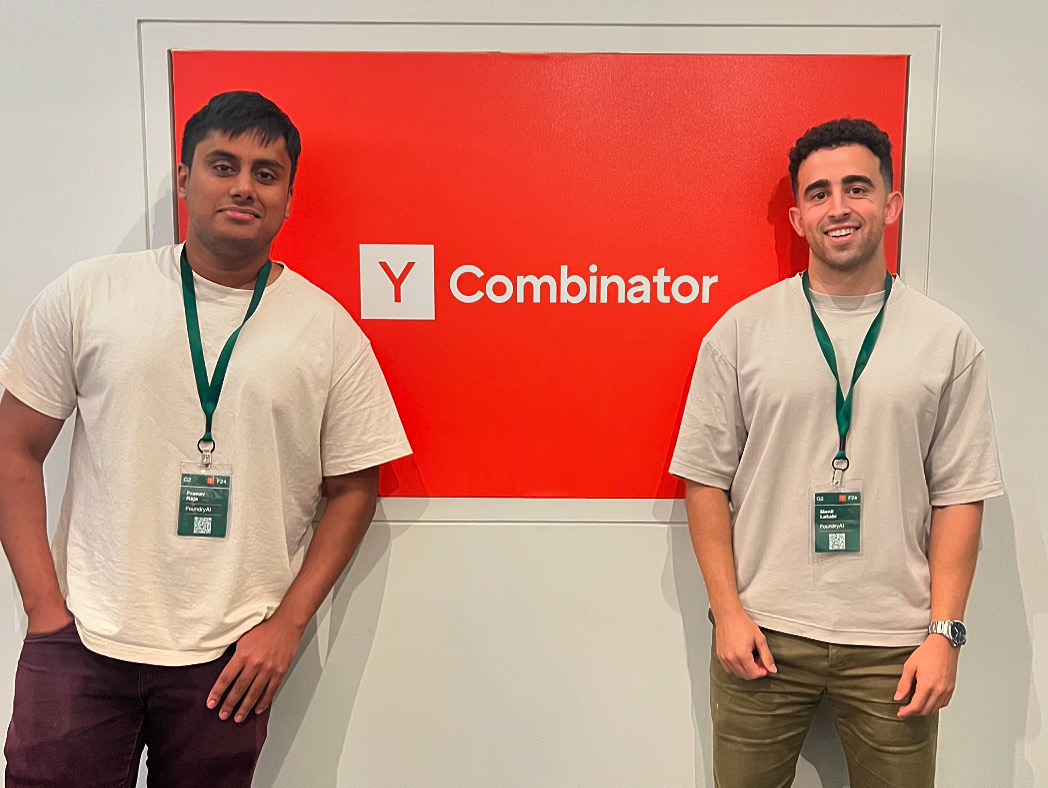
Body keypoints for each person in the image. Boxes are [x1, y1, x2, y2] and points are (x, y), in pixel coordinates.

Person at [0, 90, 411, 787]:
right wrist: (44, 609)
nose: (244, 186)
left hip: (232, 656)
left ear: (288, 197)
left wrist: (287, 626)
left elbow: (353, 488)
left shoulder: (326, 330)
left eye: (265, 173)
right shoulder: (91, 294)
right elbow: (14, 447)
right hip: (83, 639)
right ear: (185, 178)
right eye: (224, 165)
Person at [669, 118, 1004, 787]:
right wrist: (727, 613)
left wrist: (945, 633)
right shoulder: (741, 333)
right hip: (763, 634)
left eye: (857, 188)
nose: (839, 207)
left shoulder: (945, 340)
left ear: (891, 203)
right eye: (819, 193)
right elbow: (705, 480)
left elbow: (960, 496)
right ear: (798, 218)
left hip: (895, 644)